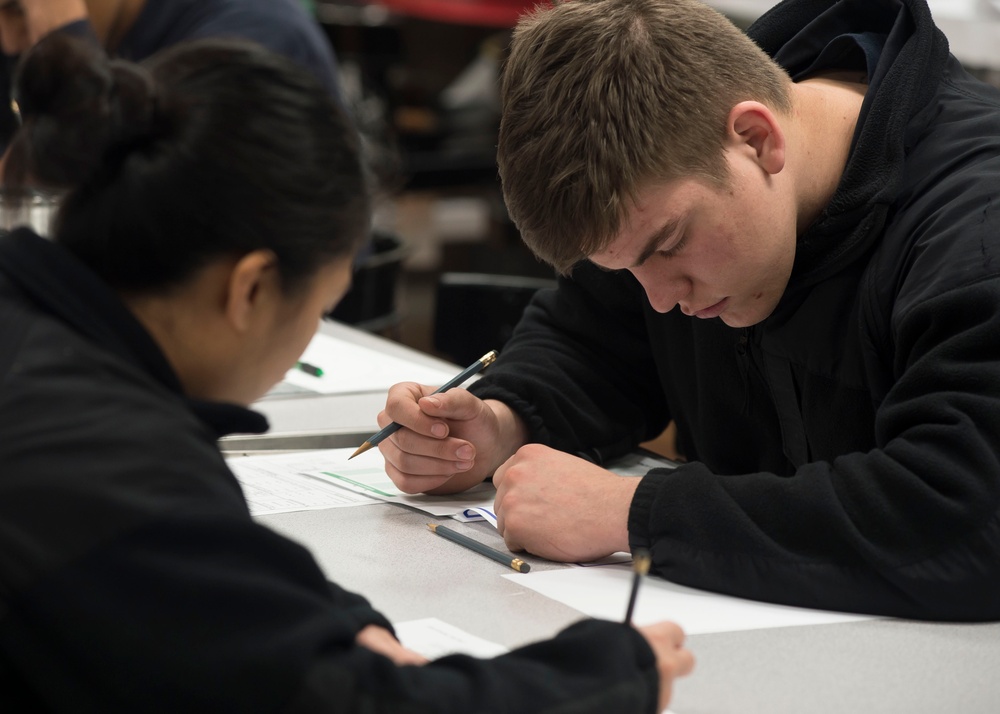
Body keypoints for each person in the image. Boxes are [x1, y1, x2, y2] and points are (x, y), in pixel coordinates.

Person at [0, 33, 693, 711]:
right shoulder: (101, 453)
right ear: (249, 290)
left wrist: (334, 624)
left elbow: (215, 584)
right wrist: (606, 679)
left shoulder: (39, 348)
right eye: (320, 307)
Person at [375, 0, 1000, 622]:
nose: (661, 298)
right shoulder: (672, 178)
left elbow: (967, 520)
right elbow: (596, 339)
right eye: (625, 268)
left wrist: (633, 512)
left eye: (668, 246)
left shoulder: (975, 232)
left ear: (757, 138)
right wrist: (501, 421)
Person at [0, 0, 343, 151]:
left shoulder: (251, 33)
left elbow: (131, 208)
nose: (9, 42)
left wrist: (69, 42)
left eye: (16, 8)